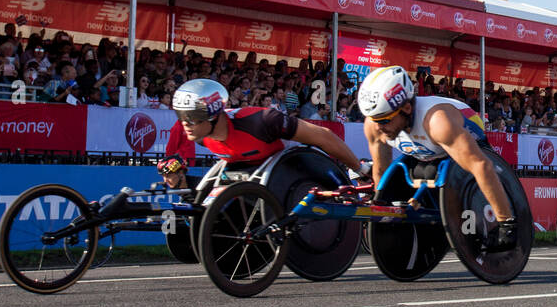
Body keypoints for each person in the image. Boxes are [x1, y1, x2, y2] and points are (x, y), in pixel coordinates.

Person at [358, 65, 518, 252]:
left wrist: (506, 225)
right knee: (420, 172)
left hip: (463, 135)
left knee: (461, 174)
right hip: (427, 150)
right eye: (374, 120)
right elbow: (381, 171)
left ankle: (503, 217)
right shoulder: (374, 124)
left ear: (407, 108)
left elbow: (482, 166)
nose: (378, 128)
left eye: (384, 120)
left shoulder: (437, 122)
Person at [173, 78, 361, 175]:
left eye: (192, 118)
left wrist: (360, 169)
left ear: (213, 115)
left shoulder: (262, 120)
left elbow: (323, 136)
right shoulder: (202, 138)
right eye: (181, 117)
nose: (185, 124)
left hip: (296, 170)